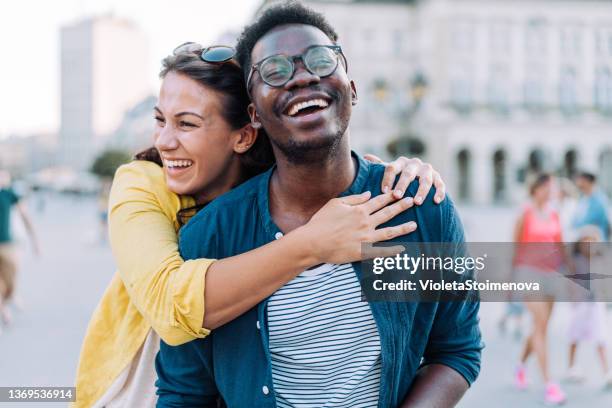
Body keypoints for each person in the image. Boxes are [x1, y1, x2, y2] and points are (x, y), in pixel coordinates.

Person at [74, 43, 447, 407]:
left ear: (245, 135)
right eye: (160, 120)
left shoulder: (274, 191)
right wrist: (310, 244)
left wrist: (393, 175)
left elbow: (456, 347)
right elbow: (169, 309)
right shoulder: (141, 183)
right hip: (131, 394)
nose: (164, 141)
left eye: (186, 123)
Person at [155, 3, 482, 407]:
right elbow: (184, 392)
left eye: (321, 60)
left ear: (353, 88)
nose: (304, 76)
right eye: (275, 70)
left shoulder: (418, 206)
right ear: (254, 114)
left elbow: (456, 350)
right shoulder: (212, 234)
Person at [513, 174, 568, 405]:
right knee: (541, 326)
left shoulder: (554, 213)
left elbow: (560, 246)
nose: (549, 191)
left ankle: (520, 366)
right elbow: (514, 248)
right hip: (528, 274)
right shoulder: (525, 214)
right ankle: (549, 384)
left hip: (551, 276)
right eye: (545, 187)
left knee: (540, 327)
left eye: (552, 188)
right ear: (535, 189)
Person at [564, 225, 612, 387]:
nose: (589, 246)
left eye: (593, 242)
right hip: (580, 304)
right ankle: (571, 367)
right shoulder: (575, 259)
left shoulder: (600, 259)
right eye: (586, 242)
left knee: (601, 337)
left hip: (596, 304)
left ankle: (607, 372)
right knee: (574, 335)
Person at [0, 170, 39, 330]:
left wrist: (35, 241)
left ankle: (8, 300)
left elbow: (25, 216)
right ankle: (4, 309)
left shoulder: (10, 195)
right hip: (6, 245)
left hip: (8, 244)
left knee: (10, 281)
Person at [573, 171, 611, 241]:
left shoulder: (600, 200)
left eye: (581, 180)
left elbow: (600, 224)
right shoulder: (583, 199)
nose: (579, 183)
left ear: (587, 181)